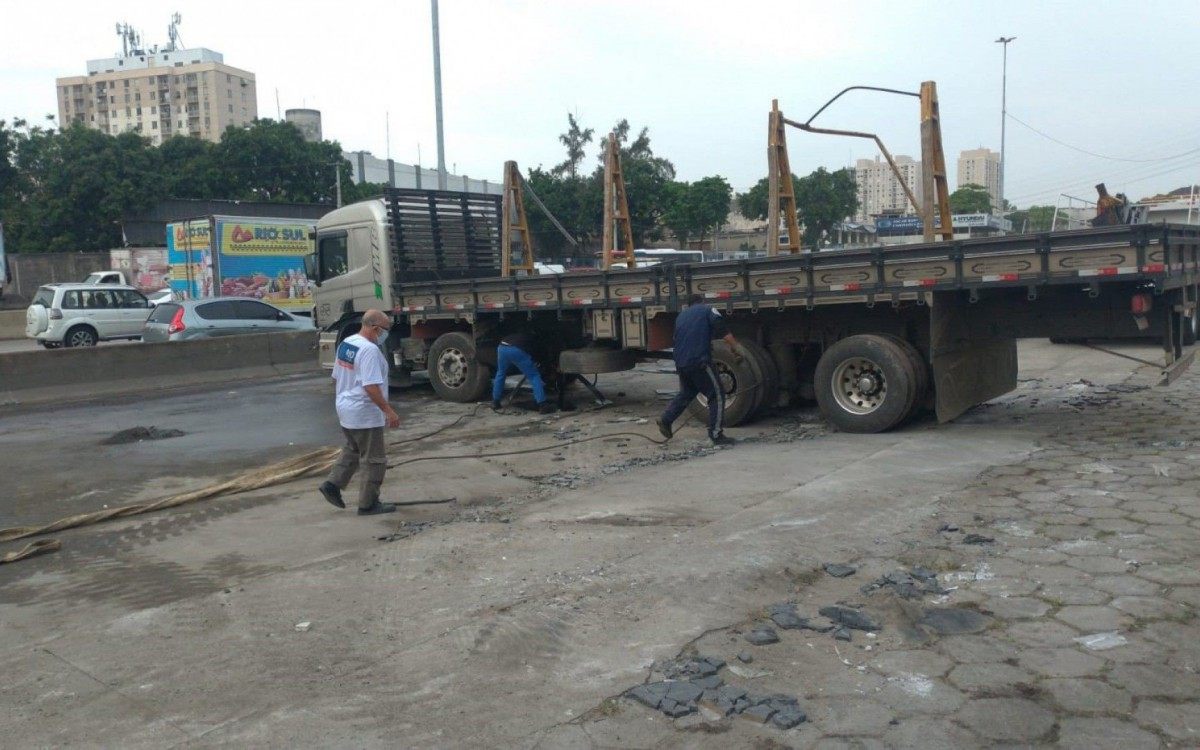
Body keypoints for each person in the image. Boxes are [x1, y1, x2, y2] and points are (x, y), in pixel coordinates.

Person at [319, 309, 402, 515]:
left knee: (353, 449)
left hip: (346, 408)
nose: (386, 334)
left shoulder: (348, 343)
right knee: (374, 459)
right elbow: (370, 386)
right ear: (375, 328)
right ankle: (368, 503)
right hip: (364, 412)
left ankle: (332, 484)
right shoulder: (369, 350)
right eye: (385, 330)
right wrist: (388, 410)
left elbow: (337, 377)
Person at [657, 294, 741, 446]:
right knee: (716, 395)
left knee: (687, 393)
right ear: (702, 302)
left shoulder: (681, 316)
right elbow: (722, 330)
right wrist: (736, 348)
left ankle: (666, 420)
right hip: (699, 361)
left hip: (681, 362)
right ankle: (716, 434)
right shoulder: (708, 310)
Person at [492, 330, 555, 414]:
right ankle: (542, 405)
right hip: (516, 350)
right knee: (534, 376)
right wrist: (539, 363)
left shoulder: (522, 335)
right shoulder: (536, 340)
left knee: (501, 373)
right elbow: (538, 354)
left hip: (502, 347)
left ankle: (496, 402)